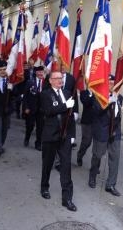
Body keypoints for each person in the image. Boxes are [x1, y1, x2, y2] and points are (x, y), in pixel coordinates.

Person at [40, 71, 77, 212]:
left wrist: (72, 135)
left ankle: (67, 198)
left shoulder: (67, 93)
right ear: (50, 81)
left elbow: (71, 117)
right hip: (51, 135)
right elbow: (48, 111)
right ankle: (44, 187)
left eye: (61, 78)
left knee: (66, 166)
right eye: (57, 78)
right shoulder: (45, 94)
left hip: (65, 136)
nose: (60, 80)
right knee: (47, 164)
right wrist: (65, 106)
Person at [87, 75, 123, 197]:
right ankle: (92, 176)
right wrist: (108, 101)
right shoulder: (98, 96)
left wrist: (116, 128)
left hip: (115, 132)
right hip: (101, 131)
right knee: (97, 155)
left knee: (115, 159)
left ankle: (111, 184)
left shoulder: (120, 97)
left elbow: (118, 115)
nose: (112, 84)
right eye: (110, 82)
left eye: (113, 82)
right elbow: (97, 111)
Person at [22, 65, 45, 149]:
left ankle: (38, 144)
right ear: (36, 73)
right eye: (39, 72)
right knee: (30, 126)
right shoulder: (30, 82)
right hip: (31, 108)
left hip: (41, 110)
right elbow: (25, 96)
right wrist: (26, 107)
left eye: (42, 72)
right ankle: (27, 138)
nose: (40, 73)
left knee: (40, 128)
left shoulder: (46, 82)